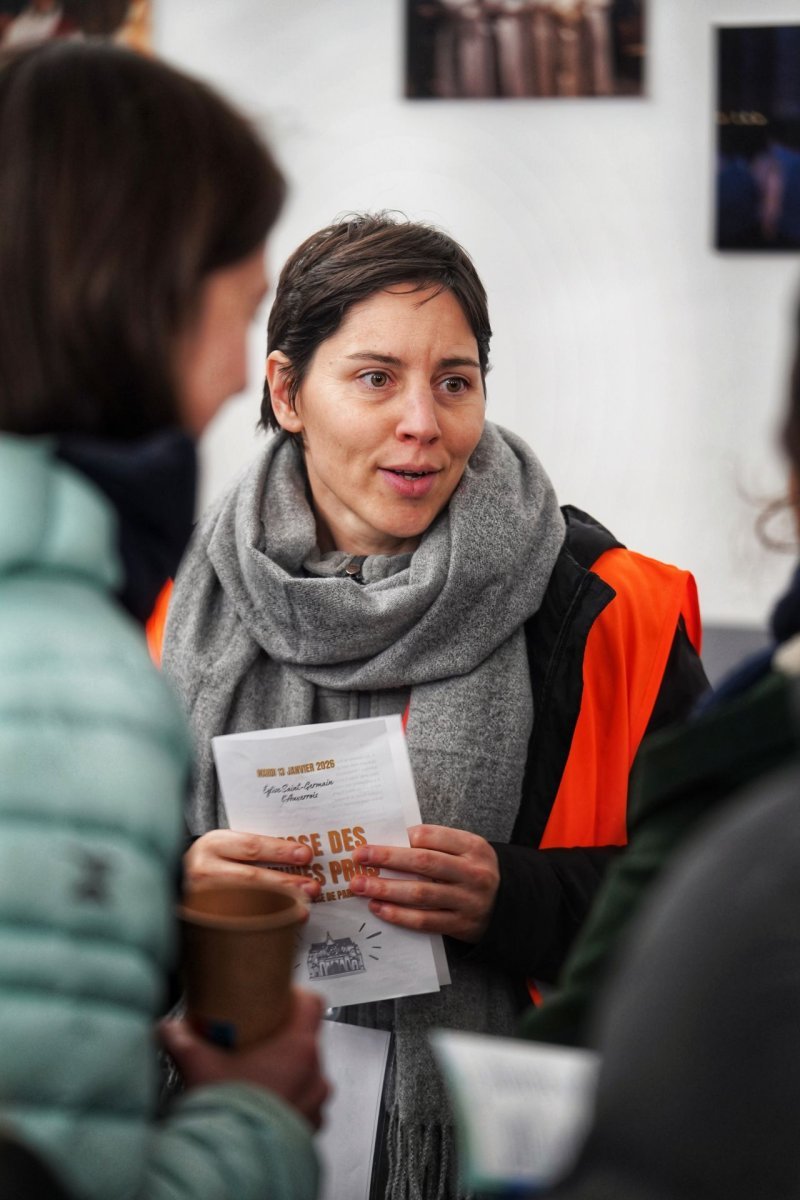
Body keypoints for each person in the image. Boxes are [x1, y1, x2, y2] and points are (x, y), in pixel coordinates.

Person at [162, 211, 708, 1200]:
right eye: (375, 378)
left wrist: (517, 897)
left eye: (453, 382)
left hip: (504, 1142)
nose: (423, 421)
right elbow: (66, 902)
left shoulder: (608, 612)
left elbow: (713, 891)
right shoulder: (178, 615)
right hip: (223, 1128)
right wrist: (183, 890)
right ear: (287, 391)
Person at [0, 39, 327, 1200]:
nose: (238, 376)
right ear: (131, 302)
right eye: (233, 311)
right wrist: (251, 1121)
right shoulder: (66, 678)